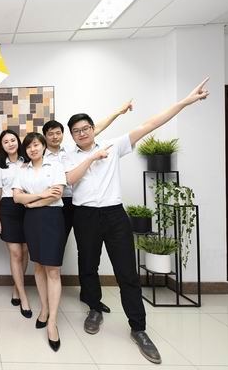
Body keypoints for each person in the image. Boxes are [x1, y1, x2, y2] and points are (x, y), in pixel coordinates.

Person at [65, 78, 210, 364]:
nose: (82, 133)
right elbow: (70, 179)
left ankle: (138, 328)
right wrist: (93, 157)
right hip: (84, 216)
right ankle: (94, 308)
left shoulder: (113, 145)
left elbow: (150, 124)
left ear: (93, 129)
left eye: (85, 128)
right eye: (76, 131)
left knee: (127, 272)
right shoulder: (68, 156)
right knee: (88, 266)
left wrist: (184, 102)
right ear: (72, 136)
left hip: (114, 214)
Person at [43, 100, 133, 313]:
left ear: (64, 135)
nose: (54, 137)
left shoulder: (70, 149)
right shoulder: (42, 153)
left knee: (88, 252)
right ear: (44, 137)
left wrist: (118, 112)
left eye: (58, 133)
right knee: (63, 248)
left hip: (77, 202)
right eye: (50, 134)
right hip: (55, 204)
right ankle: (54, 288)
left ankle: (88, 296)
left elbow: (95, 128)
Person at [13, 133, 67, 352]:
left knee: (52, 269)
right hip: (32, 221)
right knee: (38, 266)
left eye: (36, 145)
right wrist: (42, 194)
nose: (33, 149)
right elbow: (17, 197)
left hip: (52, 218)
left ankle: (52, 322)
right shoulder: (22, 170)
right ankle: (44, 309)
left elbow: (57, 195)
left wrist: (33, 202)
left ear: (43, 146)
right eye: (29, 147)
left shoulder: (55, 166)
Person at [0, 129, 31, 318]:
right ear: (2, 146)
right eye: (5, 142)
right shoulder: (0, 166)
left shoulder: (29, 161)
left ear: (18, 141)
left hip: (28, 207)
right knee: (16, 253)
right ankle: (23, 296)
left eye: (12, 140)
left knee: (25, 251)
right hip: (8, 209)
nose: (10, 144)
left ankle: (17, 287)